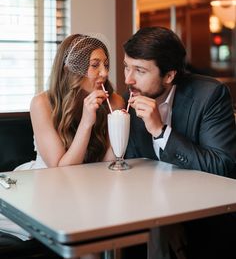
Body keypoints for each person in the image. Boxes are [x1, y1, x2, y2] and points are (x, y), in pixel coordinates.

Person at [0, 33, 124, 259]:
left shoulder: (113, 102)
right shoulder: (42, 104)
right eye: (95, 65)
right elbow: (61, 170)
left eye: (106, 64)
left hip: (89, 189)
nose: (104, 73)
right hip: (44, 186)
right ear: (71, 69)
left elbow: (111, 163)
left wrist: (115, 126)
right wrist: (87, 121)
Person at [122, 26, 236, 259]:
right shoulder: (130, 99)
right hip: (152, 210)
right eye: (126, 67)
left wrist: (160, 131)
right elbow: (134, 167)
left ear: (169, 75)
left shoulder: (209, 95)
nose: (128, 79)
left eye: (140, 70)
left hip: (207, 211)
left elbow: (222, 166)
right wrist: (163, 217)